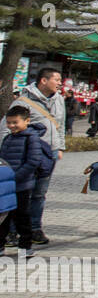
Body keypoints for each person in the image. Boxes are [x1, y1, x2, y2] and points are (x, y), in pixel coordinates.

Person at [0, 67, 66, 247]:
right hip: (26, 154)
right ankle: (13, 231)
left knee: (39, 194)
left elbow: (60, 124)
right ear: (43, 81)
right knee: (22, 193)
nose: (60, 83)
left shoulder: (59, 99)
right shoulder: (24, 101)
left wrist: (60, 146)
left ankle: (35, 228)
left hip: (48, 154)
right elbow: (6, 127)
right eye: (57, 79)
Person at [0, 105, 52, 256]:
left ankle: (25, 246)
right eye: (9, 123)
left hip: (22, 184)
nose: (11, 126)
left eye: (15, 122)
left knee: (21, 216)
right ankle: (1, 245)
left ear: (27, 121)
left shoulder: (31, 138)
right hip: (6, 187)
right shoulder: (8, 138)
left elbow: (33, 161)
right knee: (3, 216)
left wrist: (15, 177)